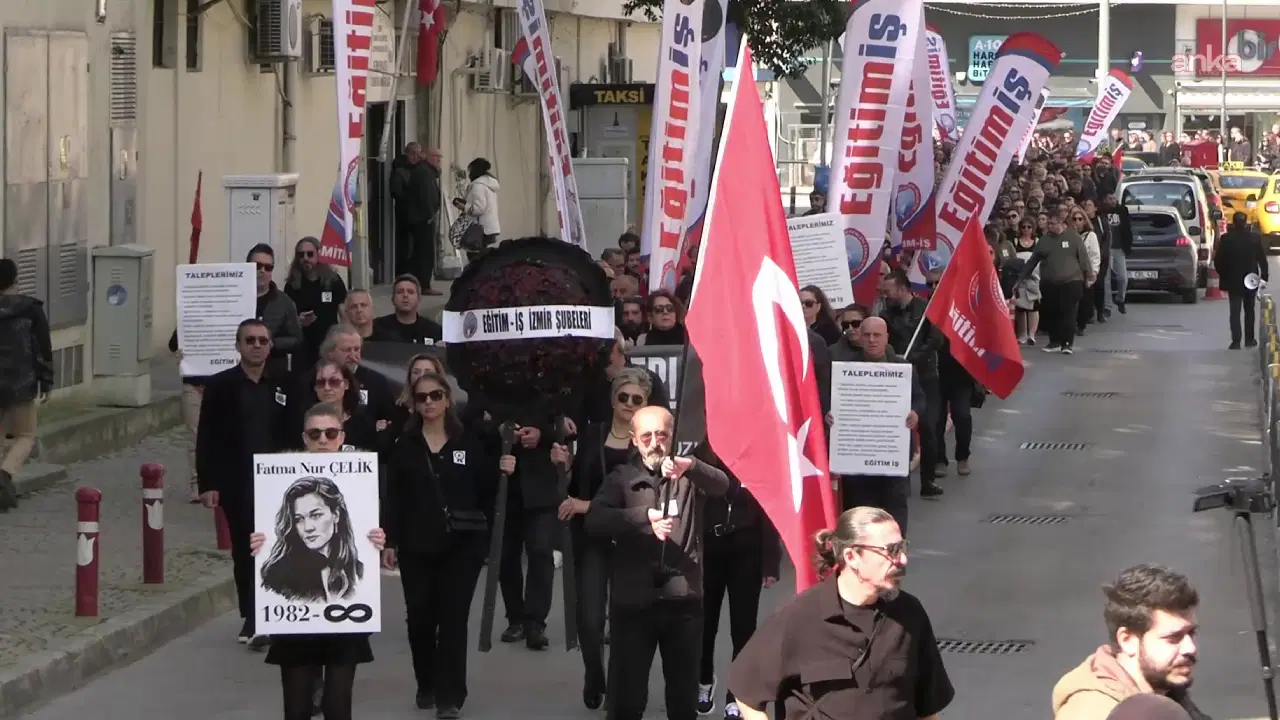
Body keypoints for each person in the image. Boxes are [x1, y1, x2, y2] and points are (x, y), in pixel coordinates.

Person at [727, 507, 954, 720]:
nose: (902, 559)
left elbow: (929, 707)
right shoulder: (799, 617)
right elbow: (746, 692)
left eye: (902, 548)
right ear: (852, 557)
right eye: (891, 550)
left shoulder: (909, 614)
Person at [584, 404, 730, 720]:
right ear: (634, 439)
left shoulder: (687, 475)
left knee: (683, 701)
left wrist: (692, 466)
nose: (654, 443)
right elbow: (595, 520)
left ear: (672, 436)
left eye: (662, 435)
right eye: (646, 436)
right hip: (633, 602)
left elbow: (721, 485)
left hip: (683, 600)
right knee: (627, 700)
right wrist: (642, 517)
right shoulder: (621, 477)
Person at [384, 372, 513, 717]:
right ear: (414, 403)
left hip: (463, 544)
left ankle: (450, 696)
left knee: (453, 619)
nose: (429, 402)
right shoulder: (405, 444)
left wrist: (503, 468)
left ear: (447, 399)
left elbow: (487, 488)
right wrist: (390, 540)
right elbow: (393, 495)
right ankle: (426, 682)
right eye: (421, 397)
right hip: (416, 544)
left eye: (435, 395)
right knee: (421, 619)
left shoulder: (468, 440)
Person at [247, 402, 387, 720]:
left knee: (338, 706)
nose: (323, 440)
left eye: (330, 433)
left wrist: (378, 539)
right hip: (294, 624)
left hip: (346, 622)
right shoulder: (279, 575)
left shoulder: (361, 481)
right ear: (304, 438)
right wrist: (259, 544)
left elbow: (377, 523)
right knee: (297, 708)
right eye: (314, 434)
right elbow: (260, 531)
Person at [551, 366, 653, 710]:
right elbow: (576, 483)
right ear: (612, 399)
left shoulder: (649, 443)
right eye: (623, 396)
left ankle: (621, 688)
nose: (629, 403)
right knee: (590, 618)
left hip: (632, 540)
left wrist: (586, 505)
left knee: (625, 621)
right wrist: (565, 467)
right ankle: (594, 674)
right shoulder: (593, 434)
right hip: (593, 537)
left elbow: (646, 496)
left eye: (637, 399)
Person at [197, 319, 292, 648]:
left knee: (277, 548)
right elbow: (207, 436)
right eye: (249, 340)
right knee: (245, 549)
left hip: (278, 481)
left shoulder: (284, 383)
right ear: (238, 346)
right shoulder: (221, 385)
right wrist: (208, 483)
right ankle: (252, 616)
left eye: (262, 341)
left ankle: (277, 612)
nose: (256, 346)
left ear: (270, 346)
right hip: (236, 480)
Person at [693, 442, 781, 719]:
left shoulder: (757, 453)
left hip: (747, 549)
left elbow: (769, 510)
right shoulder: (702, 452)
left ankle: (737, 694)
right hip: (709, 549)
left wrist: (770, 562)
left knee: (743, 627)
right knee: (705, 622)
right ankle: (704, 680)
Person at [1052, 564, 1207, 720]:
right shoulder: (1092, 713)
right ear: (1127, 640)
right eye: (1173, 637)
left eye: (1191, 633)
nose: (1190, 648)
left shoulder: (1169, 695)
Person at [832, 317, 928, 529]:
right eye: (867, 335)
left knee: (894, 513)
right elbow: (835, 402)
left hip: (892, 455)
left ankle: (895, 549)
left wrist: (915, 412)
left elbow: (919, 398)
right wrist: (831, 414)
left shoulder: (902, 367)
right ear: (860, 338)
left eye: (877, 335)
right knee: (859, 516)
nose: (872, 340)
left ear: (886, 338)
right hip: (857, 458)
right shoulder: (846, 368)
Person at [259, 475, 366, 602]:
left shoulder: (357, 571)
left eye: (316, 515)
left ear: (336, 515)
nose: (308, 527)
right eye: (299, 519)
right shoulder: (279, 575)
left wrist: (374, 545)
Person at [0, 258, 52, 511]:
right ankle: (6, 472)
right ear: (15, 280)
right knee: (26, 435)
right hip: (21, 384)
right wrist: (47, 382)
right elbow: (43, 348)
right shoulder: (30, 309)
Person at [1019, 214, 1094, 354]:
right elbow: (1033, 261)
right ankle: (1054, 341)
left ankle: (1067, 343)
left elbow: (1084, 258)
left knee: (1068, 312)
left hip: (1072, 281)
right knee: (1051, 312)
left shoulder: (1073, 237)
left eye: (1052, 224)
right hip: (1049, 282)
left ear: (1060, 223)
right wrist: (1021, 278)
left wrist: (1089, 275)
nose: (1049, 226)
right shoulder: (1044, 240)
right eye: (1048, 224)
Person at [283, 236, 348, 369]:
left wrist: (345, 339)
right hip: (303, 346)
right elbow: (286, 318)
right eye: (301, 255)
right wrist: (298, 321)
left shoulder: (333, 281)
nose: (305, 258)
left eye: (310, 254)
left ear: (319, 254)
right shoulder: (292, 285)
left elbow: (344, 313)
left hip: (328, 344)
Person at [1213, 211, 1269, 349]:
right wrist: (1264, 276)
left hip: (1233, 280)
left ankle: (1236, 341)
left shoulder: (1227, 239)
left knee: (1235, 311)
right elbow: (1262, 259)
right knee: (1249, 310)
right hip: (1251, 280)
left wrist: (1224, 274)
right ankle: (1250, 339)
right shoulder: (1254, 239)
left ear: (1233, 222)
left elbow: (1218, 260)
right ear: (1245, 223)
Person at [246, 244, 304, 377]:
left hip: (272, 372)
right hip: (237, 371)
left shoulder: (285, 302)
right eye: (257, 266)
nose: (262, 271)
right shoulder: (233, 297)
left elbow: (297, 339)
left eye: (268, 268)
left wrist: (273, 343)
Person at [390, 143, 443, 289]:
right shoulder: (419, 172)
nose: (416, 156)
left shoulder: (423, 170)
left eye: (419, 153)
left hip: (418, 216)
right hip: (414, 217)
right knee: (419, 251)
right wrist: (429, 214)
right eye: (435, 156)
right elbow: (423, 195)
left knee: (419, 251)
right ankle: (419, 282)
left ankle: (417, 281)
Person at [369, 274, 444, 345]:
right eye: (400, 292)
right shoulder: (375, 327)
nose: (405, 295)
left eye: (410, 292)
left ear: (418, 299)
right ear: (393, 299)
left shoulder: (435, 331)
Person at [454, 157, 501, 261]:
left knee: (474, 257)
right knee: (482, 256)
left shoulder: (477, 186)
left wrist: (464, 206)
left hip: (479, 228)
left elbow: (479, 208)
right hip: (488, 227)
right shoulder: (489, 184)